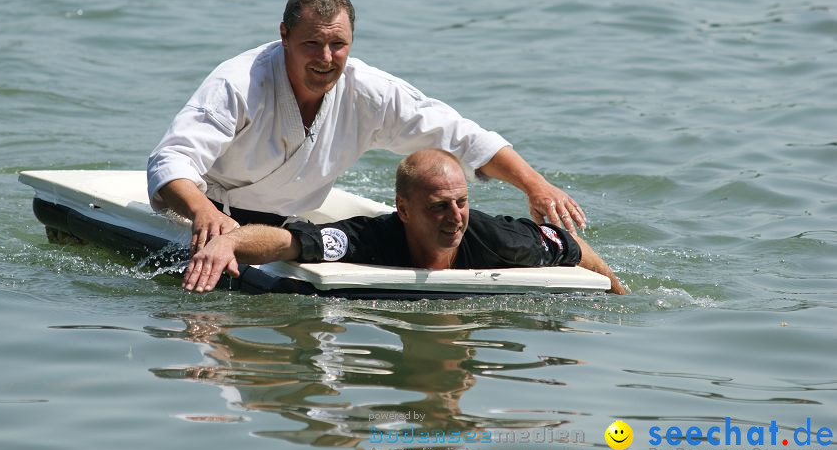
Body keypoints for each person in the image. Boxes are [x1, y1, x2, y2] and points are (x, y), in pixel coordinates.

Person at [148, 0, 586, 256]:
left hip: (288, 225)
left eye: (337, 44)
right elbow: (171, 161)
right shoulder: (239, 82)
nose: (325, 59)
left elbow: (460, 135)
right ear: (283, 37)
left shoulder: (368, 90)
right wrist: (205, 215)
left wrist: (534, 185)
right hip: (203, 216)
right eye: (311, 44)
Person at [182, 149, 626, 295]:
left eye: (461, 203)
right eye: (438, 206)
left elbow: (569, 246)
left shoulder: (495, 239)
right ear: (404, 209)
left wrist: (618, 289)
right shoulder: (371, 238)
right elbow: (289, 242)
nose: (454, 218)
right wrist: (231, 243)